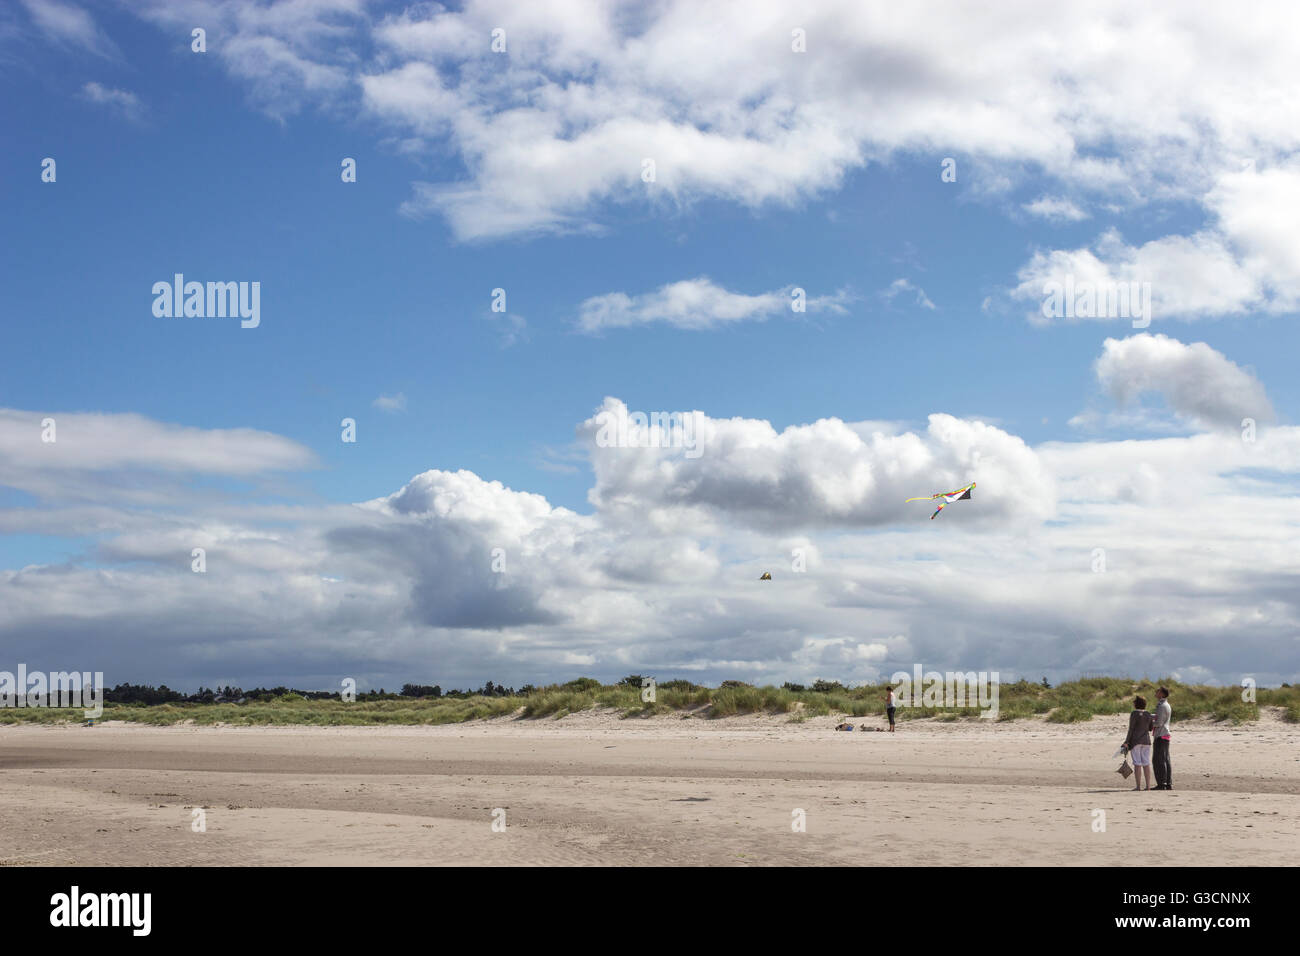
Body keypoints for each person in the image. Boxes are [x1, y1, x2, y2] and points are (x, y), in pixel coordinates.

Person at [1123, 695, 1153, 791]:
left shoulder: (1134, 714)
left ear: (1136, 704)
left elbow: (1131, 729)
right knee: (1146, 763)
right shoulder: (1148, 714)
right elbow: (1150, 728)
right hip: (1146, 741)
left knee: (1137, 764)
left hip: (1136, 741)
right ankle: (1148, 786)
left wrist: (1126, 741)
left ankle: (1138, 786)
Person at [1151, 687, 1173, 790]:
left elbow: (1159, 723)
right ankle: (1167, 783)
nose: (1156, 692)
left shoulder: (1162, 706)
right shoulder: (1166, 705)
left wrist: (1149, 724)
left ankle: (1162, 783)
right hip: (1165, 734)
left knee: (1158, 760)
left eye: (1158, 691)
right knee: (1165, 759)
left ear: (1162, 694)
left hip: (1161, 735)